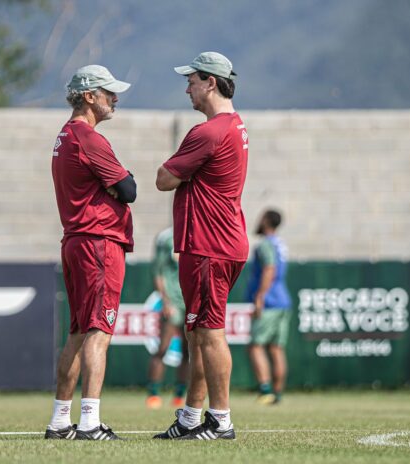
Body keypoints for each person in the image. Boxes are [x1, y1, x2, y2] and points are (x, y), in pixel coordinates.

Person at [153, 51, 248, 440]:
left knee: (209, 333)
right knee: (197, 333)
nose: (187, 88)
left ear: (210, 82)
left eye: (192, 81)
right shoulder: (235, 124)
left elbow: (163, 179)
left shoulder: (207, 131)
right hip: (217, 242)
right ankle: (192, 417)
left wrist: (180, 177)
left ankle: (221, 420)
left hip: (210, 244)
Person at [45, 65, 136, 440]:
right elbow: (129, 188)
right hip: (98, 242)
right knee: (99, 330)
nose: (114, 99)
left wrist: (114, 187)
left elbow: (119, 187)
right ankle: (89, 422)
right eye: (108, 92)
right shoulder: (89, 138)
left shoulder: (65, 136)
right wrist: (116, 188)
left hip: (77, 241)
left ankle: (59, 421)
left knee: (80, 332)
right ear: (89, 96)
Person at [246, 209, 292, 405]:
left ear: (266, 221)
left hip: (270, 301)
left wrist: (260, 296)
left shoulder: (265, 244)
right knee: (276, 348)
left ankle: (265, 390)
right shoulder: (280, 244)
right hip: (283, 301)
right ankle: (278, 393)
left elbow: (269, 269)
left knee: (256, 346)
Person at [145, 227, 189, 409]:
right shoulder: (166, 237)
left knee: (188, 352)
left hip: (191, 301)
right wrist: (165, 300)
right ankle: (153, 394)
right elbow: (158, 271)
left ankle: (180, 394)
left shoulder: (199, 231)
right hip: (173, 301)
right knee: (162, 348)